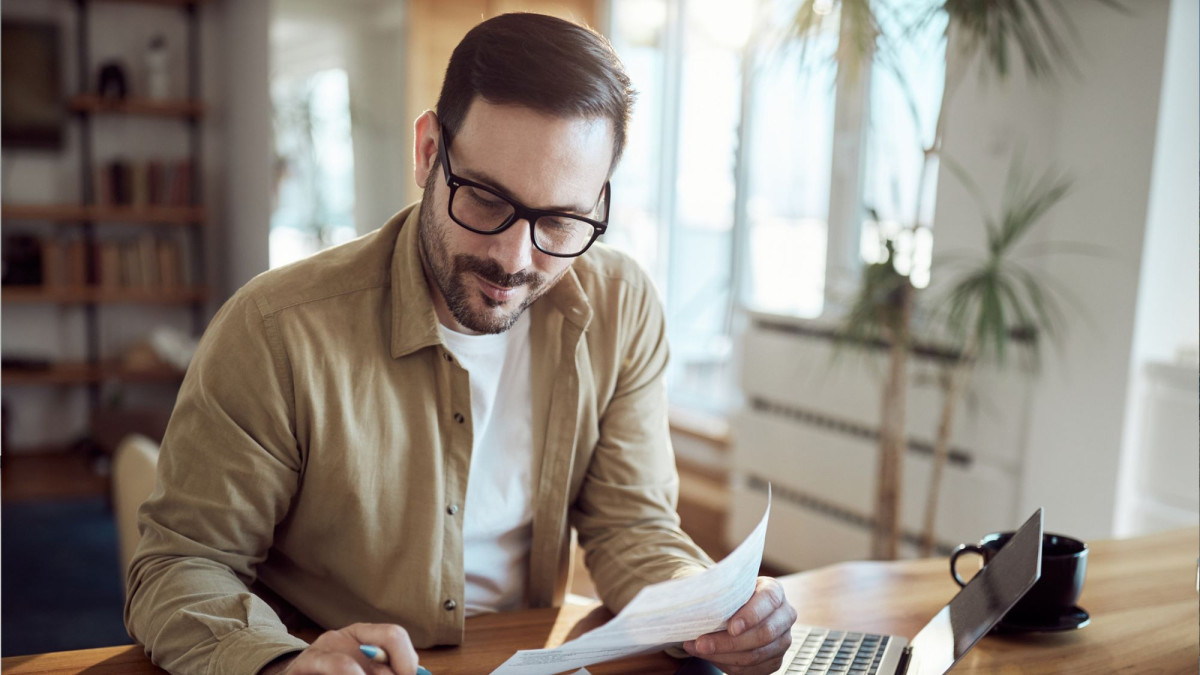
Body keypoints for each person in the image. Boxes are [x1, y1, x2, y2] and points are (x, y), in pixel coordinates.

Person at [125, 12, 796, 675]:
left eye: (560, 220)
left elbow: (633, 528)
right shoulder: (275, 330)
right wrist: (280, 664)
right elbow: (180, 565)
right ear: (427, 153)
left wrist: (714, 609)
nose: (514, 257)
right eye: (484, 199)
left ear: (598, 203)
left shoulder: (622, 307)